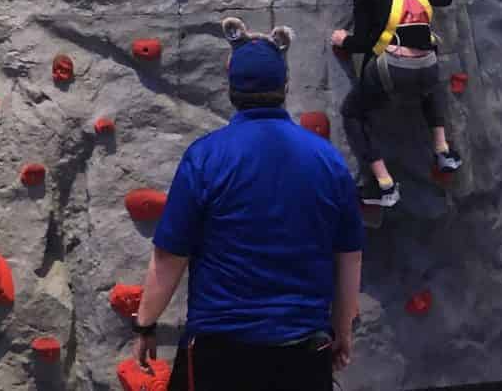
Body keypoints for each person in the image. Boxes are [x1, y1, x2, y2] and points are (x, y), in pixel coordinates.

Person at [131, 20, 363, 391]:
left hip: (220, 354)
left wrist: (145, 323)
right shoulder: (328, 161)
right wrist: (343, 329)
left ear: (231, 90)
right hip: (303, 352)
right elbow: (349, 255)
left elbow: (169, 257)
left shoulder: (205, 158)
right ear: (285, 88)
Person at [332, 0, 461, 207]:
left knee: (353, 113)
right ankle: (442, 150)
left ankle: (385, 185)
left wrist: (344, 40)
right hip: (427, 67)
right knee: (428, 88)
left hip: (393, 69)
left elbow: (365, 41)